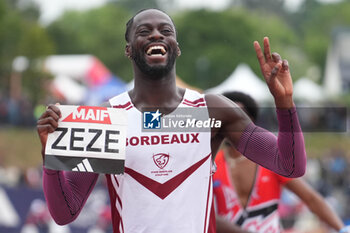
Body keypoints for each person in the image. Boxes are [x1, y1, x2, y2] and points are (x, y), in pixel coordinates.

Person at [37, 8, 307, 233]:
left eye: (166, 31)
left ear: (176, 48)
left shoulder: (210, 110)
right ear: (129, 50)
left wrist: (284, 103)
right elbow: (65, 213)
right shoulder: (109, 118)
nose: (156, 34)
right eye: (144, 32)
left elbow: (289, 165)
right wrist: (50, 159)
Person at [214, 91, 346, 233]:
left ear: (249, 121)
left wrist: (341, 229)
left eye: (234, 118)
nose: (228, 124)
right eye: (225, 118)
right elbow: (201, 213)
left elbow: (311, 198)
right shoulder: (211, 164)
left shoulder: (270, 160)